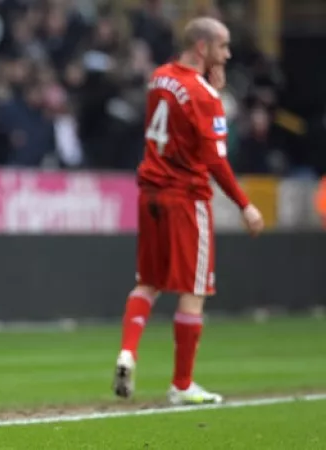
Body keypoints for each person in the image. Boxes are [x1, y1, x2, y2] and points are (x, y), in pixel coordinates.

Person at [112, 17, 265, 405]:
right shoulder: (205, 95)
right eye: (222, 46)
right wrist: (245, 205)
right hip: (186, 199)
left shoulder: (159, 77)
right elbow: (215, 161)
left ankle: (127, 351)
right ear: (202, 47)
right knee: (194, 290)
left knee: (148, 282)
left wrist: (212, 91)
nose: (227, 54)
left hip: (150, 194)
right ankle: (182, 384)